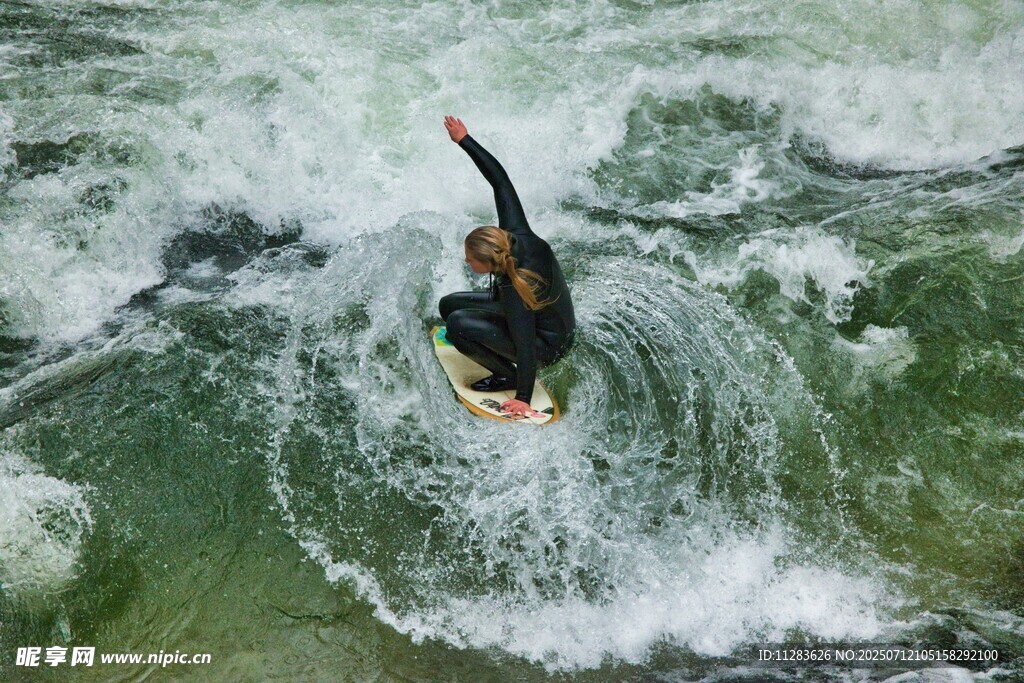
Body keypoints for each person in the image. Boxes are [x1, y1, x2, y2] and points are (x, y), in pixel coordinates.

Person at [439, 115, 576, 418]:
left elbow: (525, 344)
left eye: (470, 259)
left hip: (550, 343)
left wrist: (522, 397)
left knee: (458, 325)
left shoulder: (516, 288)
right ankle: (497, 357)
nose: (466, 261)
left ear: (488, 263)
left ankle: (506, 376)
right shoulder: (513, 233)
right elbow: (500, 180)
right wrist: (464, 139)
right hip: (547, 320)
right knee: (448, 305)